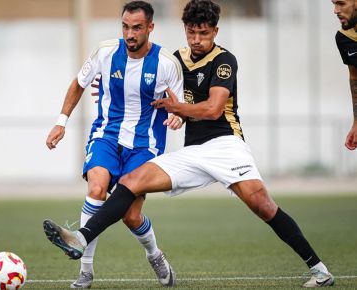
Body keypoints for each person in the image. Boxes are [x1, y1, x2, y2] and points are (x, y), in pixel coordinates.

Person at [43, 0, 335, 288]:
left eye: (204, 33)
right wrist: (112, 86)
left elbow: (212, 110)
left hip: (225, 145)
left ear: (215, 32)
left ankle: (320, 270)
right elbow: (157, 91)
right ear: (185, 30)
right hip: (193, 151)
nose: (197, 40)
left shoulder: (224, 61)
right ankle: (81, 237)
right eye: (192, 32)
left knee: (262, 205)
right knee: (131, 181)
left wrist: (177, 110)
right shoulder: (175, 61)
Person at [44, 1, 183, 288]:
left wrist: (177, 117)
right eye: (125, 27)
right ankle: (85, 271)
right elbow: (78, 83)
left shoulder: (167, 64)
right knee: (96, 189)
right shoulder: (106, 52)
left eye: (136, 28)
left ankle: (154, 255)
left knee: (131, 216)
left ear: (150, 28)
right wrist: (61, 121)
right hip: (106, 135)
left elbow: (180, 105)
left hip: (145, 146)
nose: (129, 34)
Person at [333, 0, 357, 150]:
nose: (335, 10)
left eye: (341, 4)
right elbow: (355, 77)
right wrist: (356, 123)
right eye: (334, 4)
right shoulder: (344, 38)